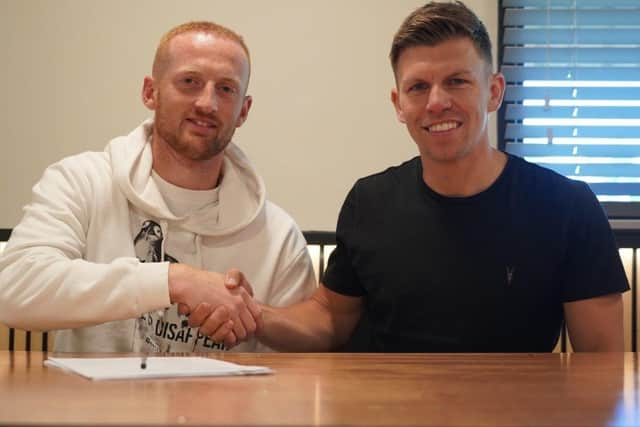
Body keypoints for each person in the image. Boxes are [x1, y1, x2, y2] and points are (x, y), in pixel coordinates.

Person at [216, 1, 629, 352]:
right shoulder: (369, 201)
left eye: (457, 82)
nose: (437, 102)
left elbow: (602, 366)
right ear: (398, 104)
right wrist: (250, 314)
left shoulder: (568, 207)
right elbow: (330, 318)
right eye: (418, 87)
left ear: (494, 91)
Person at [0, 21, 316, 352]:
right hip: (93, 404)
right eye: (189, 82)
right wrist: (174, 281)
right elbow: (14, 291)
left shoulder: (278, 236)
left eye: (226, 89)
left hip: (223, 405)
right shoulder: (80, 182)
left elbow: (301, 369)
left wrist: (248, 316)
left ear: (243, 111)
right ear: (151, 92)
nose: (207, 103)